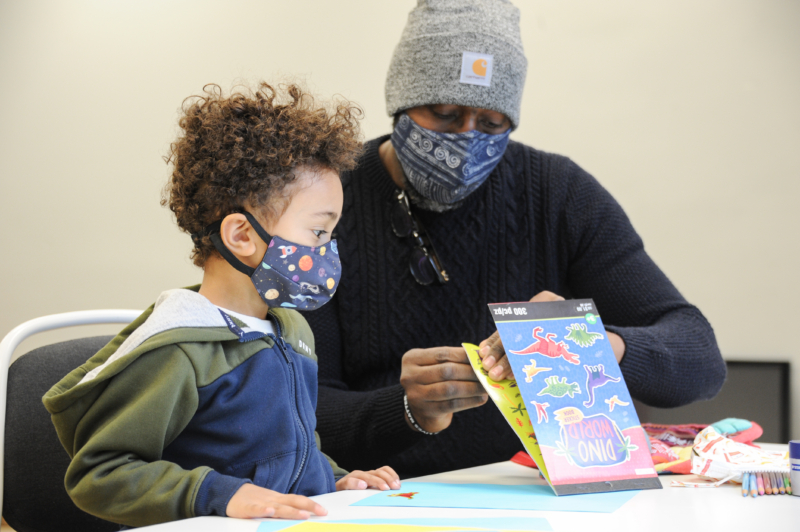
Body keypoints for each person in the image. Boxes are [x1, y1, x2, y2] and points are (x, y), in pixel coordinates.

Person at [306, 0, 727, 479]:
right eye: (444, 114)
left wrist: (595, 346)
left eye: (491, 124)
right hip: (381, 497)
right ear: (401, 101)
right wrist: (405, 409)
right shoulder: (326, 201)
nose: (466, 141)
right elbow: (295, 407)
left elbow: (700, 358)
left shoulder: (557, 195)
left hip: (530, 494)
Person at [43, 82, 400, 528]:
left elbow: (288, 449)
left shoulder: (292, 330)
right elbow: (100, 475)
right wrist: (220, 494)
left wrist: (334, 479)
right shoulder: (179, 351)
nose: (329, 250)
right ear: (242, 236)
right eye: (318, 233)